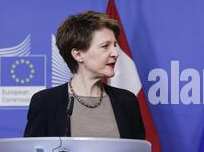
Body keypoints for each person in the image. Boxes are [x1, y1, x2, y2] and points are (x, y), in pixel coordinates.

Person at [24, 10, 145, 142]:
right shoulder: (45, 102)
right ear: (78, 54)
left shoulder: (127, 101)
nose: (115, 53)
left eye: (115, 45)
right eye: (105, 46)